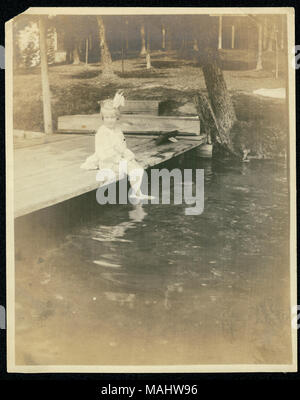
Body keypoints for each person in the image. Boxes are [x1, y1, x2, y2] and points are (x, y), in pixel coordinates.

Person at [80, 90, 153, 201]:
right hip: (108, 161)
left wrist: (126, 154)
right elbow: (103, 153)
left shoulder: (117, 130)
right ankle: (137, 193)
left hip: (117, 157)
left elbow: (122, 145)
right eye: (107, 118)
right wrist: (119, 159)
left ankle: (137, 192)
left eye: (112, 117)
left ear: (117, 118)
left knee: (136, 166)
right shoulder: (102, 133)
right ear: (103, 118)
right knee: (132, 168)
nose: (110, 120)